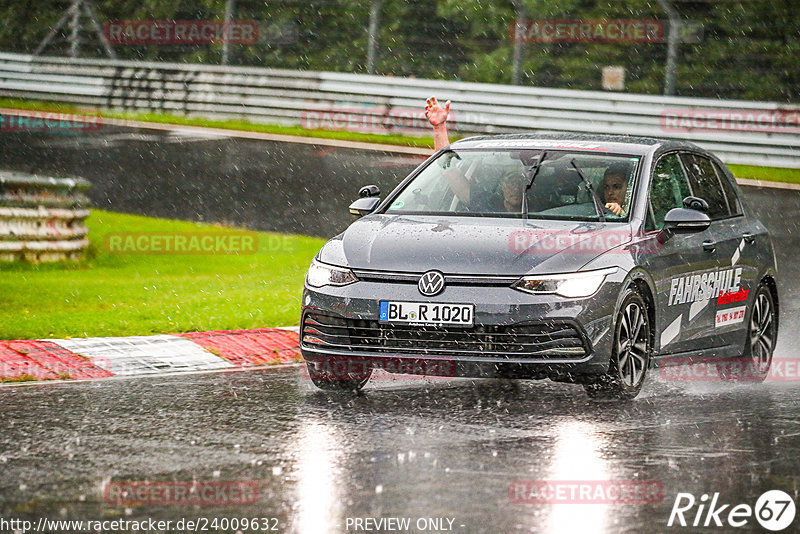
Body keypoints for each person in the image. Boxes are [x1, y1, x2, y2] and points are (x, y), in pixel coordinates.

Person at [425, 96, 524, 212]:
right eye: (512, 182)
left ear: (528, 189)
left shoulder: (544, 208)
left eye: (521, 183)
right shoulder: (487, 204)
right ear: (502, 185)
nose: (516, 188)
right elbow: (448, 168)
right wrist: (439, 128)